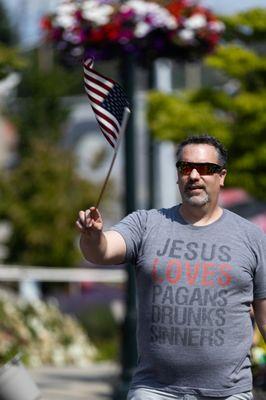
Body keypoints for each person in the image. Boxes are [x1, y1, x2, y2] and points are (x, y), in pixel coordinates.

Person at [76, 135, 266, 400]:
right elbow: (102, 251)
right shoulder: (146, 224)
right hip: (155, 390)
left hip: (228, 392)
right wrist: (92, 235)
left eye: (206, 169)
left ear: (221, 176)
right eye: (185, 167)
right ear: (178, 175)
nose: (194, 175)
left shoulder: (252, 237)